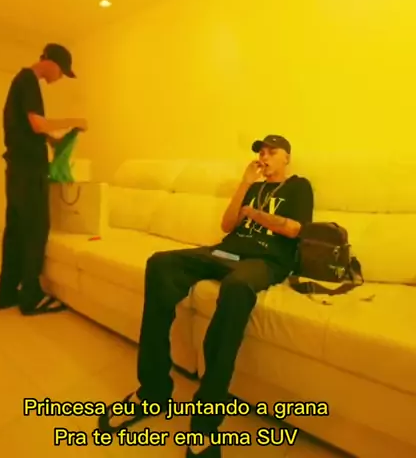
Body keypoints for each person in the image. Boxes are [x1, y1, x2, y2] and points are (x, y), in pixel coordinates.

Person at [99, 135, 314, 457]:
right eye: (261, 152)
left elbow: (295, 229)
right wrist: (245, 183)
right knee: (160, 263)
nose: (265, 157)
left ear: (287, 158)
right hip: (226, 253)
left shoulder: (299, 186)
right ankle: (154, 391)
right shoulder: (253, 188)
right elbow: (227, 225)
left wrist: (254, 214)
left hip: (265, 261)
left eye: (272, 152)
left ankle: (205, 421)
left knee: (236, 288)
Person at [0, 43, 88, 316]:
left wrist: (56, 140)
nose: (60, 78)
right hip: (29, 171)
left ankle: (6, 293)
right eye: (62, 71)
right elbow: (37, 124)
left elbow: (29, 128)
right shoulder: (29, 80)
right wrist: (74, 121)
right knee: (36, 229)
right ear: (52, 63)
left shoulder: (20, 82)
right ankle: (30, 296)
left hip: (17, 169)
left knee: (16, 230)